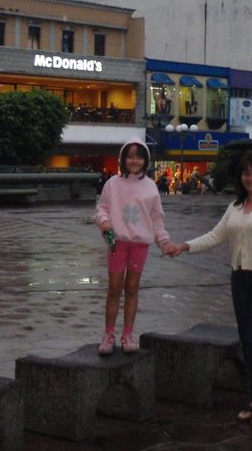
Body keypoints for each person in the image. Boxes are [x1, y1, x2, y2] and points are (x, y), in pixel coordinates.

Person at [168, 150, 252, 430]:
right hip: (240, 278)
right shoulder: (236, 206)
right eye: (246, 173)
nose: (251, 178)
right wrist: (185, 246)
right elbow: (215, 236)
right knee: (246, 339)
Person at [93, 139, 173, 355]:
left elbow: (157, 219)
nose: (134, 161)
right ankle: (108, 334)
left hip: (139, 245)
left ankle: (127, 335)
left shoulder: (151, 187)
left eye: (139, 156)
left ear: (145, 160)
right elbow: (101, 208)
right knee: (114, 287)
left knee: (132, 288)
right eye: (130, 156)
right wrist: (105, 222)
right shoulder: (112, 185)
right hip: (116, 242)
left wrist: (164, 242)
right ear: (123, 159)